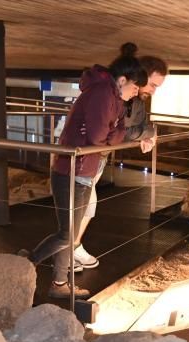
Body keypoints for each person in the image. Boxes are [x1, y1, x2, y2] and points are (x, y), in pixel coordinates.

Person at [27, 50, 147, 299]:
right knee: (67, 233)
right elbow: (98, 140)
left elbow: (116, 131)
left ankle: (58, 283)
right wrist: (114, 133)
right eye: (136, 86)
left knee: (68, 232)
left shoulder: (112, 97)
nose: (137, 92)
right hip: (73, 170)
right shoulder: (103, 93)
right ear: (123, 79)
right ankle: (29, 261)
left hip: (81, 169)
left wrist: (114, 132)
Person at [69, 45, 168, 273]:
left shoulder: (134, 101)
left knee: (87, 207)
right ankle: (64, 255)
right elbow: (119, 131)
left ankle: (72, 248)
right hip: (84, 158)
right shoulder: (114, 97)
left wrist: (145, 132)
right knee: (81, 207)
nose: (153, 91)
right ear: (137, 77)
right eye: (152, 84)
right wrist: (148, 133)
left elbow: (134, 128)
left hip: (97, 158)